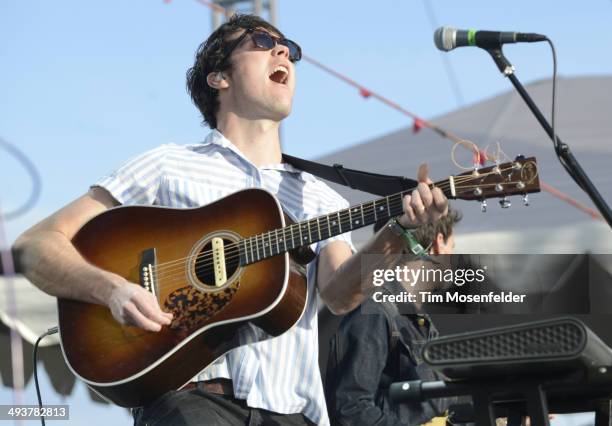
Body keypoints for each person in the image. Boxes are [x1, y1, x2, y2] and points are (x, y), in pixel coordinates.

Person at [13, 14, 448, 426]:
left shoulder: (319, 196)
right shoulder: (168, 166)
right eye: (263, 43)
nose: (283, 54)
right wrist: (111, 289)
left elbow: (340, 294)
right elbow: (36, 245)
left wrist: (399, 234)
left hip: (293, 412)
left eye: (289, 49)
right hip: (190, 401)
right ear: (219, 78)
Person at [325, 211, 462, 426]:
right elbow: (350, 409)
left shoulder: (416, 318)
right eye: (453, 248)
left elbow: (430, 409)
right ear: (439, 243)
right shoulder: (374, 311)